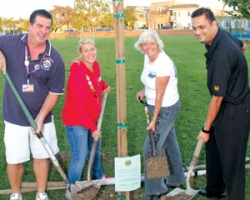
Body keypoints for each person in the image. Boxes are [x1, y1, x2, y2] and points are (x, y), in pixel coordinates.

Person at [0, 9, 65, 200]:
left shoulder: (55, 58)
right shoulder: (11, 42)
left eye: (47, 28)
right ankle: (16, 194)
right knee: (14, 159)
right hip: (14, 116)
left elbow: (54, 93)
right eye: (39, 26)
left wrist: (40, 118)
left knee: (41, 157)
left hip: (42, 118)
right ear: (29, 26)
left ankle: (41, 193)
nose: (43, 31)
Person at [191, 7, 250, 200]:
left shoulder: (221, 57)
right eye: (194, 28)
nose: (198, 31)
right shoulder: (221, 37)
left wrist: (206, 129)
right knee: (214, 147)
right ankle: (216, 189)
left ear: (213, 24)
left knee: (233, 162)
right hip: (226, 105)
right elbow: (242, 46)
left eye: (202, 27)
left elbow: (217, 98)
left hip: (235, 110)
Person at [134, 30, 185, 200]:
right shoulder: (148, 57)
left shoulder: (163, 64)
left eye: (152, 43)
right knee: (168, 142)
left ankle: (157, 190)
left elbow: (160, 95)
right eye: (145, 44)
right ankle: (176, 179)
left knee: (152, 146)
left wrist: (154, 119)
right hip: (155, 103)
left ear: (158, 44)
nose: (148, 47)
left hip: (166, 108)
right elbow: (150, 80)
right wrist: (143, 90)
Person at [61, 38, 110, 200]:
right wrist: (93, 128)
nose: (90, 53)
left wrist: (103, 85)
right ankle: (72, 189)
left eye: (92, 49)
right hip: (77, 121)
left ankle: (98, 175)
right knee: (80, 156)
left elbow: (95, 81)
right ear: (80, 54)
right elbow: (79, 109)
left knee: (94, 149)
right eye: (86, 51)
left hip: (92, 117)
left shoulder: (95, 65)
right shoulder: (77, 76)